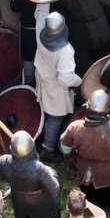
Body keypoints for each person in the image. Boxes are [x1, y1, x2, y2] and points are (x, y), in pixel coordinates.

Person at [60, 90, 110, 210]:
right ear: (106, 110)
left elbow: (65, 145)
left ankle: (96, 205)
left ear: (88, 108)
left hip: (85, 168)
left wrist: (70, 157)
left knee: (90, 191)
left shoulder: (75, 127)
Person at [0, 132, 62, 218]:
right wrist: (52, 173)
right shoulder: (39, 169)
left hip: (19, 200)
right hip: (41, 205)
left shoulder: (3, 162)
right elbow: (54, 190)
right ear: (32, 149)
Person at [34, 14, 83, 154]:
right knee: (56, 117)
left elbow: (40, 15)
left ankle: (41, 136)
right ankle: (48, 148)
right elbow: (65, 78)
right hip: (56, 87)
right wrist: (79, 81)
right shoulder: (64, 51)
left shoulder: (40, 33)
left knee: (45, 111)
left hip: (43, 80)